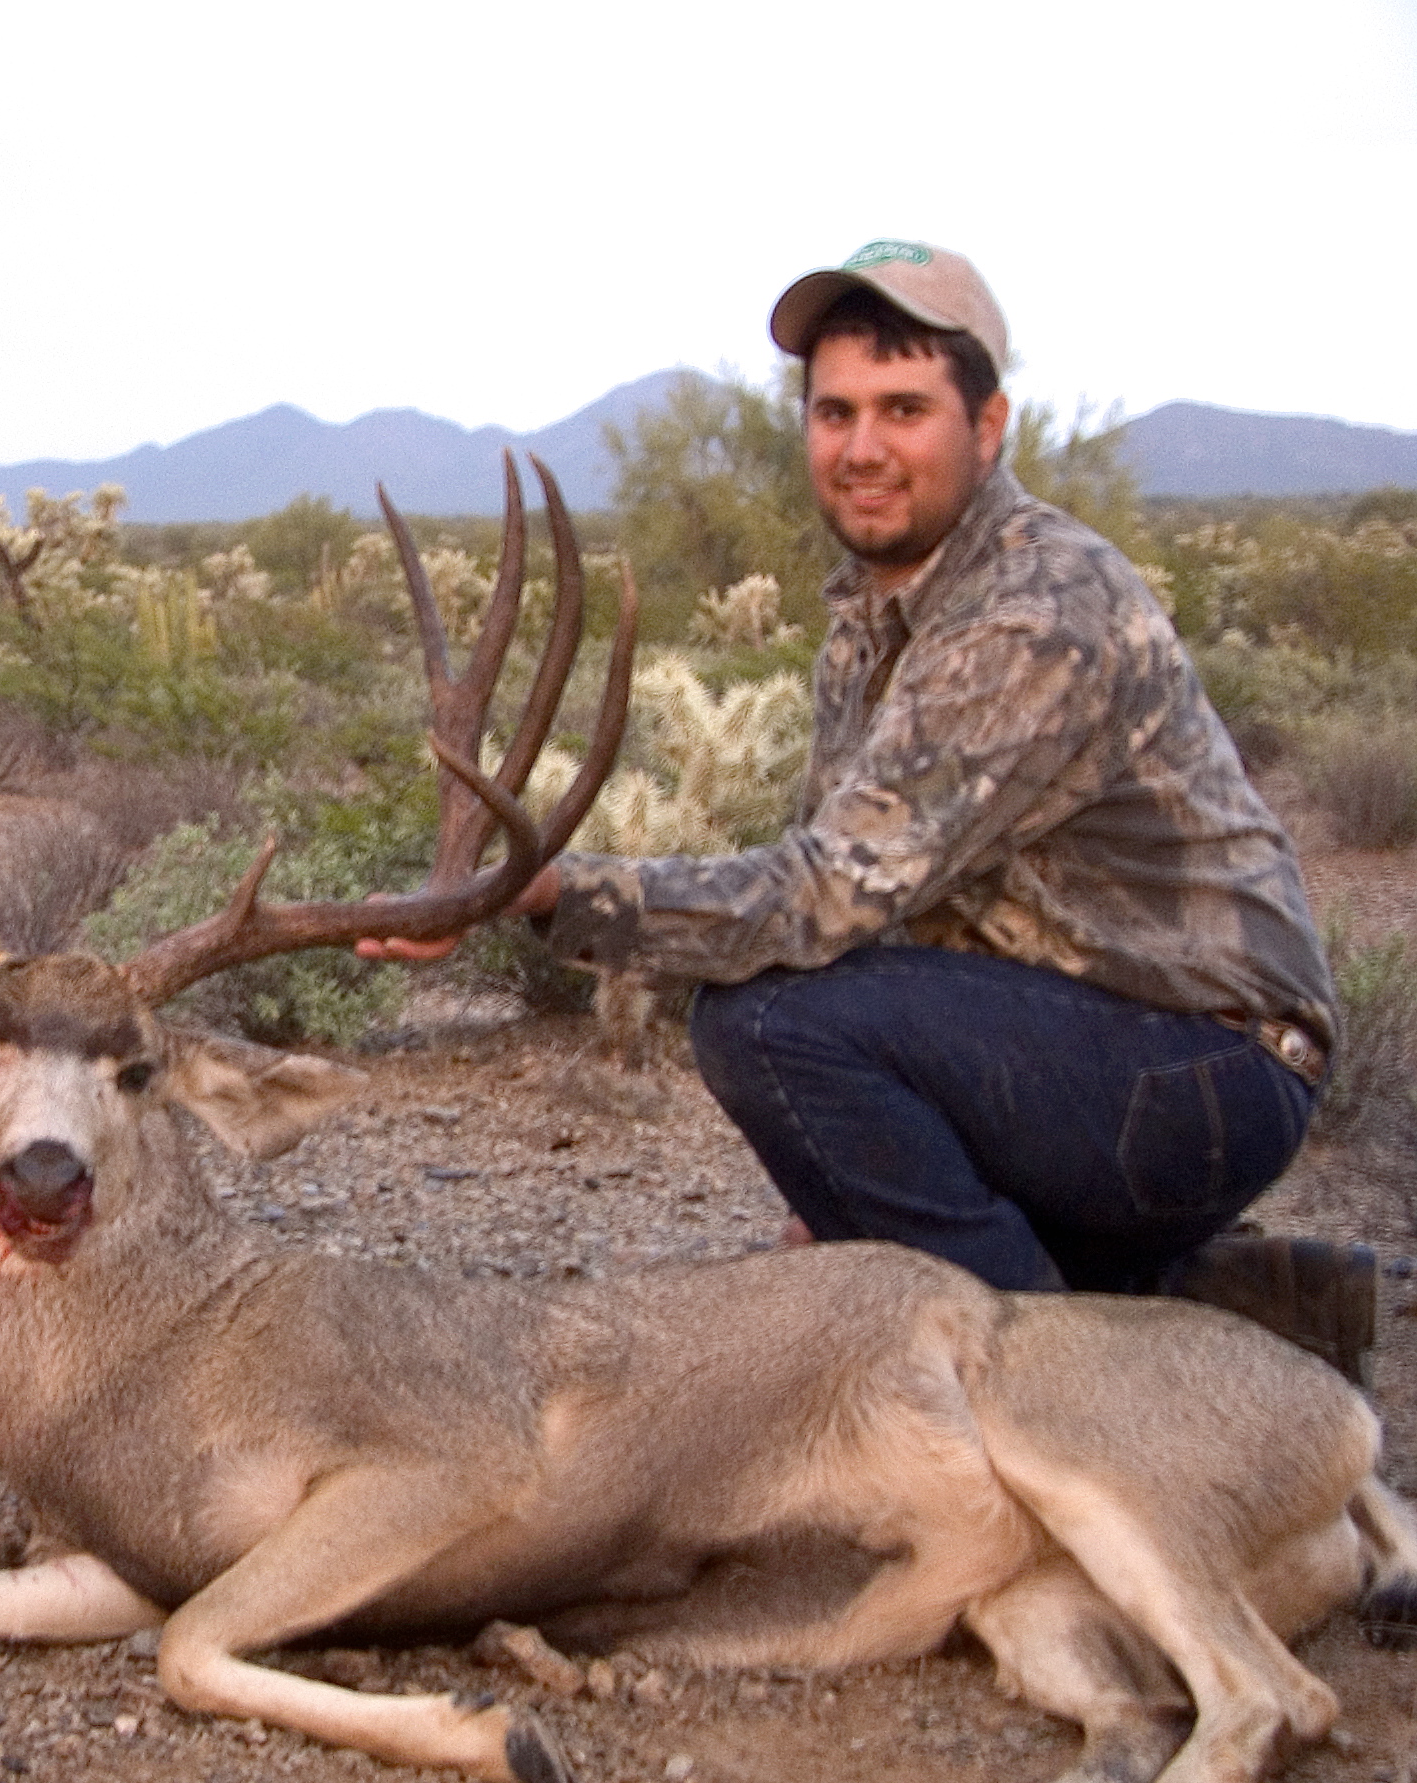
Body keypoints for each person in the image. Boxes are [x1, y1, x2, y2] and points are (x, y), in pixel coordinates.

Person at [370, 240, 1373, 1381]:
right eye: (833, 412)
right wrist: (853, 1203)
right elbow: (864, 906)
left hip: (1205, 1071)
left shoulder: (1032, 612)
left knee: (764, 1025)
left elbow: (821, 899)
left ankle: (1060, 1400)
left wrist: (551, 891)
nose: (860, 449)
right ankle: (1225, 1313)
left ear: (986, 428)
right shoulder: (879, 612)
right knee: (806, 1041)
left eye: (904, 410)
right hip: (1103, 1049)